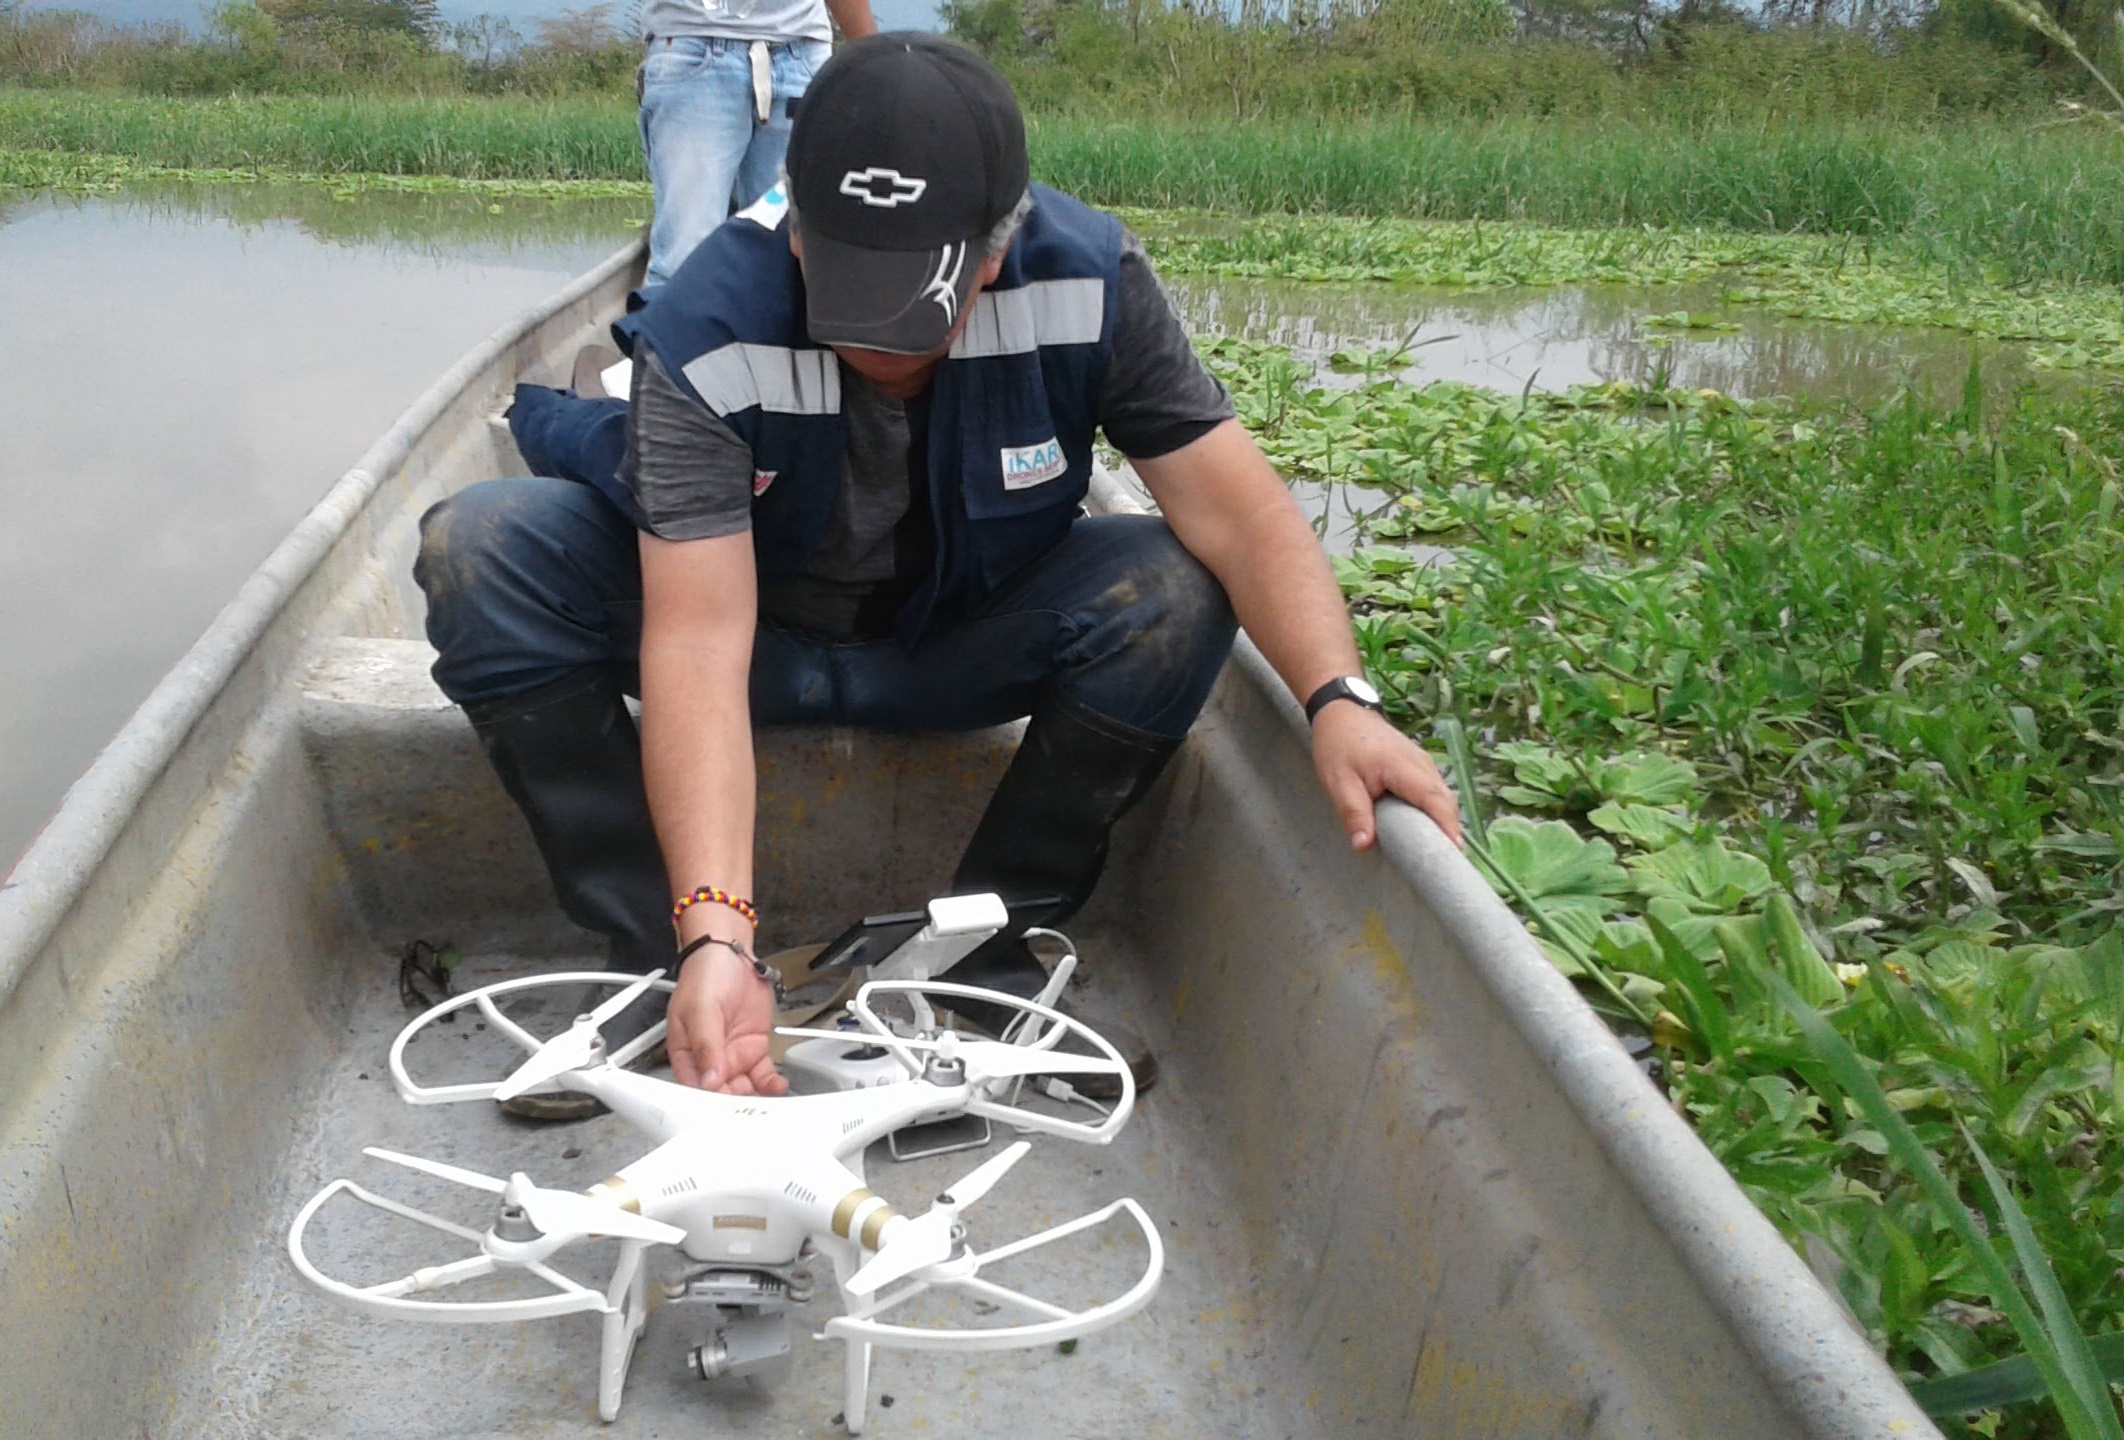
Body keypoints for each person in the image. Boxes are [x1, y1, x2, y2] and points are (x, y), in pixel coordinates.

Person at [416, 32, 1461, 1115]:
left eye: (918, 308)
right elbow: (693, 641)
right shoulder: (707, 321)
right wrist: (713, 926)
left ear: (998, 247)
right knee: (484, 545)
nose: (882, 348)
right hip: (762, 636)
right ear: (797, 229)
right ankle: (660, 966)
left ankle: (985, 953)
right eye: (848, 295)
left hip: (955, 644)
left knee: (1169, 587)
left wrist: (1338, 697)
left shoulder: (1092, 278)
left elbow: (1240, 516)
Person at [636, 0, 874, 288]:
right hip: (692, 40)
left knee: (793, 258)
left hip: (799, 51)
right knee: (685, 259)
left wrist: (873, 60)